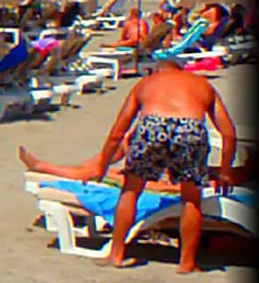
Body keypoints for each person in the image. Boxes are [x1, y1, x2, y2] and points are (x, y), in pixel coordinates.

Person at [18, 62, 238, 272]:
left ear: (158, 71)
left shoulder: (146, 84)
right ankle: (187, 263)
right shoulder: (202, 85)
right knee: (191, 198)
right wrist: (225, 172)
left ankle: (116, 254)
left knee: (130, 191)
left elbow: (118, 132)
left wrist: (102, 166)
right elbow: (228, 133)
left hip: (153, 123)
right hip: (191, 128)